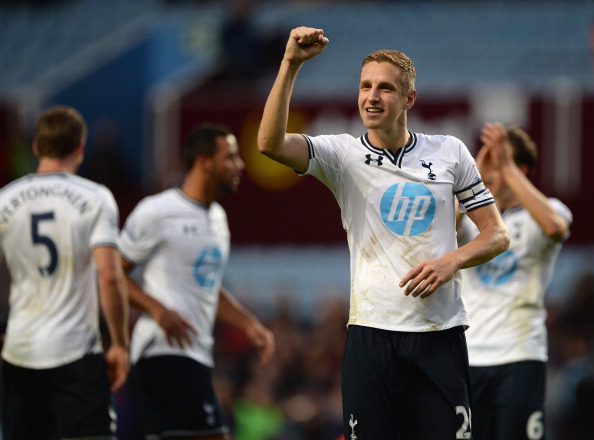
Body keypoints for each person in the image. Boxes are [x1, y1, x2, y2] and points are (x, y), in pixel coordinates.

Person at [257, 26, 510, 439]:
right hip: (371, 337)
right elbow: (269, 144)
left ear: (409, 99)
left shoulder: (450, 151)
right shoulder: (343, 155)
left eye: (386, 88)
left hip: (439, 335)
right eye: (365, 86)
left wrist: (452, 260)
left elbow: (496, 234)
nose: (372, 97)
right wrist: (290, 64)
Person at [118, 123, 275, 440]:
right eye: (230, 157)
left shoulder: (218, 218)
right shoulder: (157, 211)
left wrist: (249, 324)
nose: (239, 165)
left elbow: (208, 287)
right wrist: (157, 309)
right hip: (164, 349)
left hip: (196, 352)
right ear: (204, 162)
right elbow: (111, 274)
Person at [0, 105, 130, 439]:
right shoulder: (96, 197)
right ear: (80, 148)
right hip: (76, 352)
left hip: (20, 350)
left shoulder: (5, 199)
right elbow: (110, 276)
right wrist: (118, 343)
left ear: (36, 147)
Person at [457, 122, 572, 440]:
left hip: (520, 355)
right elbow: (444, 229)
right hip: (467, 356)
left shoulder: (548, 211)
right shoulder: (470, 221)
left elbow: (555, 228)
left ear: (519, 169)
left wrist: (505, 167)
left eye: (498, 162)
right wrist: (471, 176)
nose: (489, 172)